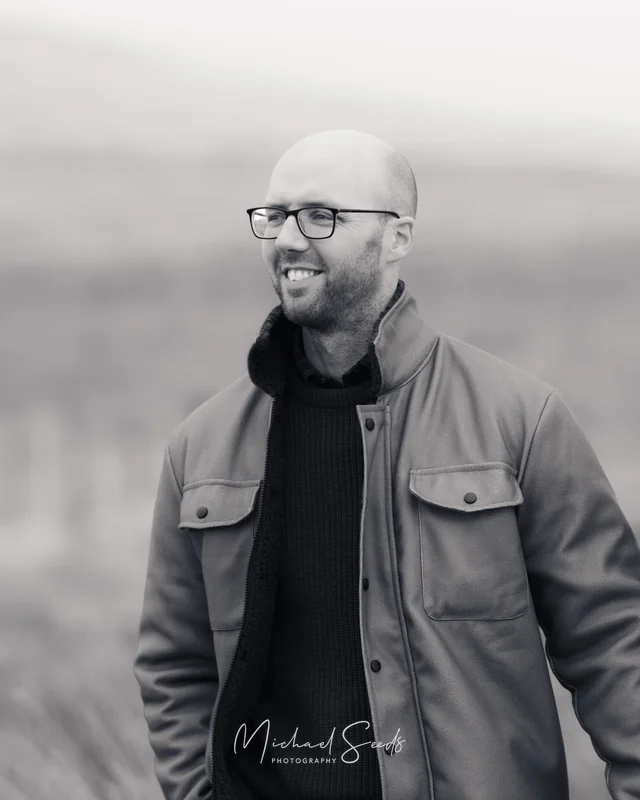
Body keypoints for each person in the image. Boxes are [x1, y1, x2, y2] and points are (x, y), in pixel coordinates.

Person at [133, 129, 640, 800]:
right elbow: (175, 665)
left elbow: (612, 642)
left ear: (397, 236)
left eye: (320, 216)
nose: (287, 239)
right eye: (274, 216)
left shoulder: (519, 419)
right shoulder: (200, 448)